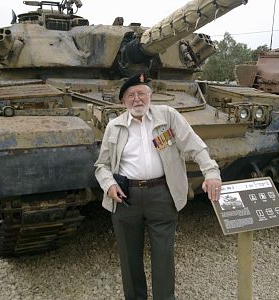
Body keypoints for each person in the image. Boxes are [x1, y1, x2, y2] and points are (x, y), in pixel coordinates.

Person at [94, 73, 222, 300]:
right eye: (130, 95)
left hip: (162, 194)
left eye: (141, 93)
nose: (137, 99)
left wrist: (211, 172)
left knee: (163, 255)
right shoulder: (114, 126)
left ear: (150, 96)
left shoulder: (168, 116)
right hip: (125, 197)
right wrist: (109, 184)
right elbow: (101, 165)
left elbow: (195, 146)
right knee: (129, 257)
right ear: (123, 101)